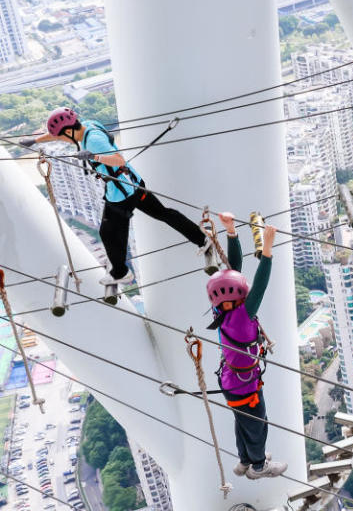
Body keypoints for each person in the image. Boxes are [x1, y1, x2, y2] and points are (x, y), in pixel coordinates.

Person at [20, 107, 211, 285]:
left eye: (63, 137)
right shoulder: (88, 125)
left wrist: (94, 157)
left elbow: (118, 159)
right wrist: (35, 141)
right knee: (163, 213)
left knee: (108, 231)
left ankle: (121, 273)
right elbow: (57, 134)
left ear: (69, 131)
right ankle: (201, 238)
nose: (62, 140)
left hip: (122, 194)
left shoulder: (93, 140)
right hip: (133, 182)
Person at [206, 212, 286, 480]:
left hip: (232, 383)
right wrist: (267, 249)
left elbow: (234, 271)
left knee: (243, 424)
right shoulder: (242, 315)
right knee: (256, 426)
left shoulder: (221, 313)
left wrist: (231, 232)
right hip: (243, 385)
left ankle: (244, 461)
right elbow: (260, 285)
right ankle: (259, 466)